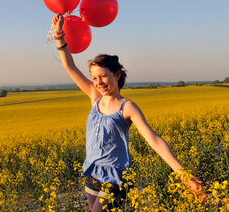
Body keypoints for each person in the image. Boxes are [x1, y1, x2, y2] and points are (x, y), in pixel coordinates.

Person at [51, 13, 205, 211]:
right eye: (94, 78)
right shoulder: (94, 96)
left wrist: (182, 173)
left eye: (103, 76)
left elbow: (154, 140)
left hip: (115, 178)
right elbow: (69, 66)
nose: (98, 82)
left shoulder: (127, 107)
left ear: (116, 75)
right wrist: (58, 35)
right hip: (92, 175)